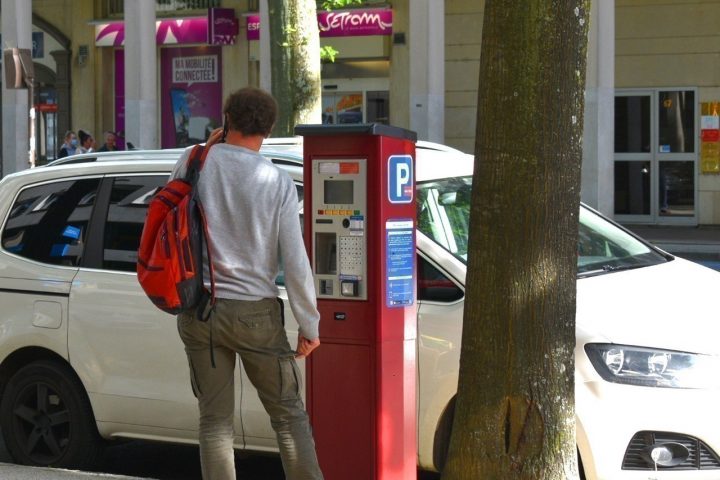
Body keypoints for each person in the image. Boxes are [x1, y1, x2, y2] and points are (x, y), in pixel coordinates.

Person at [171, 87, 323, 480]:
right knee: (288, 417)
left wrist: (207, 147)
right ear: (268, 130)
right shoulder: (275, 181)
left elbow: (173, 210)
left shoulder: (194, 160)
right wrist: (309, 325)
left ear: (226, 119)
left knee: (214, 421)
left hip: (199, 308)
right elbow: (295, 261)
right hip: (256, 314)